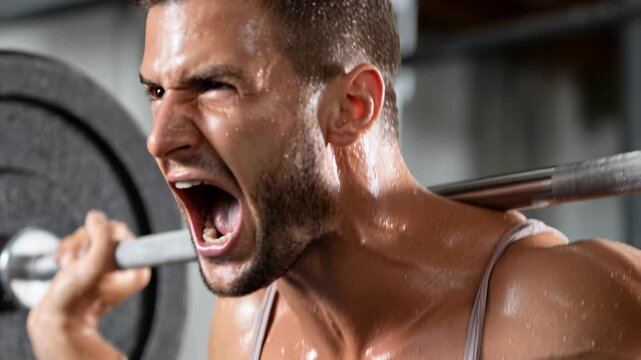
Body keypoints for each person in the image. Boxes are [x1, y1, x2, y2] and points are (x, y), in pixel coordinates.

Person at [27, 0, 641, 359]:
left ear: (352, 107)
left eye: (214, 86)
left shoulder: (553, 318)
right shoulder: (248, 327)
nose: (160, 138)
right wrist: (70, 337)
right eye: (157, 92)